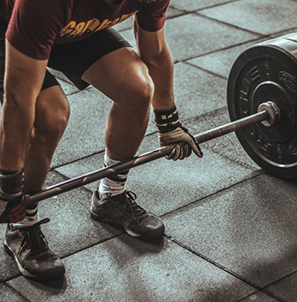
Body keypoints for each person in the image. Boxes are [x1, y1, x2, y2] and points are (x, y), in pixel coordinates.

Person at [0, 0, 202, 281]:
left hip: (69, 29)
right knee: (49, 113)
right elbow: (19, 101)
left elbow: (153, 54)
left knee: (138, 89)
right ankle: (21, 224)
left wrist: (169, 124)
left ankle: (110, 195)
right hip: (11, 25)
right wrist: (8, 183)